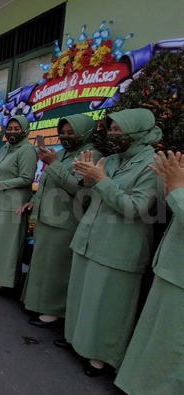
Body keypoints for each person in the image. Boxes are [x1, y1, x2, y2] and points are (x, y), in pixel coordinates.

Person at [65, 109, 162, 376]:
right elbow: (88, 195)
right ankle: (77, 340)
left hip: (119, 245)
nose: (113, 135)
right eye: (112, 130)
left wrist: (100, 180)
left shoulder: (151, 165)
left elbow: (135, 208)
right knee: (82, 295)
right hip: (91, 236)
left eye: (120, 131)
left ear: (139, 132)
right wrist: (86, 180)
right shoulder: (110, 160)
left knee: (108, 302)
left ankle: (101, 355)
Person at [18, 115, 101, 327]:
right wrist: (34, 202)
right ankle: (36, 303)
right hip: (47, 216)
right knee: (42, 264)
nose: (64, 137)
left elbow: (79, 189)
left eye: (70, 133)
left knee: (57, 268)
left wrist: (53, 164)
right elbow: (46, 183)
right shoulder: (61, 154)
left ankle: (53, 310)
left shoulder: (91, 156)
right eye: (62, 132)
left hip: (66, 220)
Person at [115, 150, 184, 394]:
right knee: (156, 339)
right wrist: (171, 186)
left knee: (173, 345)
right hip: (170, 268)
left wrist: (177, 189)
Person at [0, 115, 38, 295]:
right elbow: (7, 175)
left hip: (14, 204)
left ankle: (2, 283)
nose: (12, 132)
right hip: (2, 201)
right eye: (9, 128)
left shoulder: (26, 149)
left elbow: (27, 179)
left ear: (25, 130)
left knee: (7, 246)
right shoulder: (7, 148)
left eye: (16, 129)